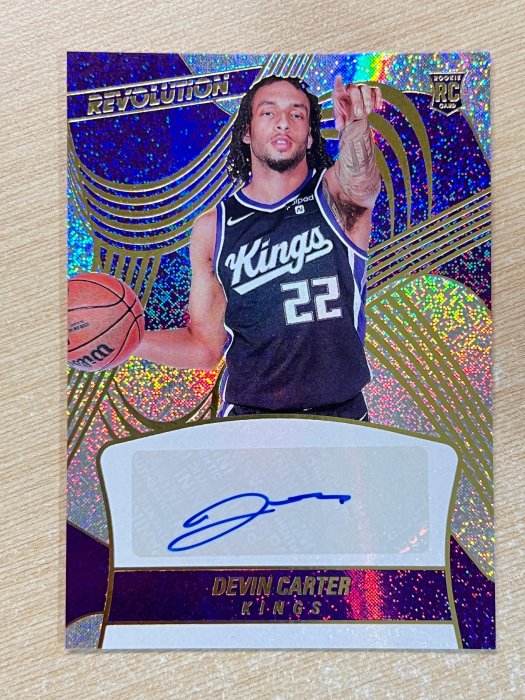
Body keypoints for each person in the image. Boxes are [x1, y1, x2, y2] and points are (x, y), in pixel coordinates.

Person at [137, 75, 382, 420]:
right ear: (247, 132)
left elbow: (362, 183)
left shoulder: (335, 198)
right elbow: (205, 347)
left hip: (341, 417)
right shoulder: (214, 228)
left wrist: (356, 125)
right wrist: (128, 341)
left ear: (310, 135)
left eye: (296, 114)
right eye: (268, 113)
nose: (283, 122)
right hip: (248, 421)